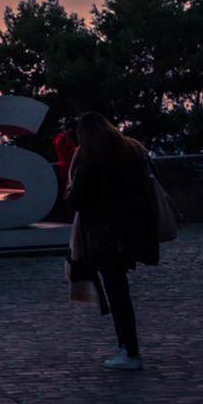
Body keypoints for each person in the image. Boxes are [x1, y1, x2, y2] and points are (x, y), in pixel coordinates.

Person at [66, 111, 160, 370]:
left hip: (104, 235)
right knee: (121, 292)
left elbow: (78, 199)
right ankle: (128, 348)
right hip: (131, 231)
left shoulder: (89, 156)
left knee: (117, 293)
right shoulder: (130, 150)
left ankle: (129, 350)